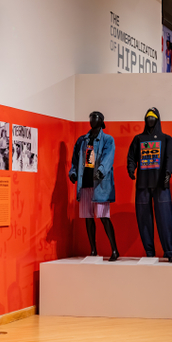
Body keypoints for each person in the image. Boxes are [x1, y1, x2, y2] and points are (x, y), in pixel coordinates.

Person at [70, 112, 119, 261]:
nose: (92, 119)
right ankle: (93, 250)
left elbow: (108, 157)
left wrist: (101, 170)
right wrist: (73, 172)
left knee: (104, 216)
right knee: (88, 217)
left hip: (100, 184)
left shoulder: (107, 140)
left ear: (101, 121)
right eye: (91, 117)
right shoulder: (82, 140)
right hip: (85, 183)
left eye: (96, 117)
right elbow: (75, 159)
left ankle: (114, 250)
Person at [127, 107, 172, 261]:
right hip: (142, 184)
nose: (150, 120)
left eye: (153, 117)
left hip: (161, 185)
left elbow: (169, 157)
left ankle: (168, 252)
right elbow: (131, 157)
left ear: (158, 119)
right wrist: (131, 169)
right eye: (148, 118)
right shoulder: (138, 139)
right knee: (144, 220)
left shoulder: (166, 139)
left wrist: (167, 173)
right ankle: (149, 252)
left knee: (165, 219)